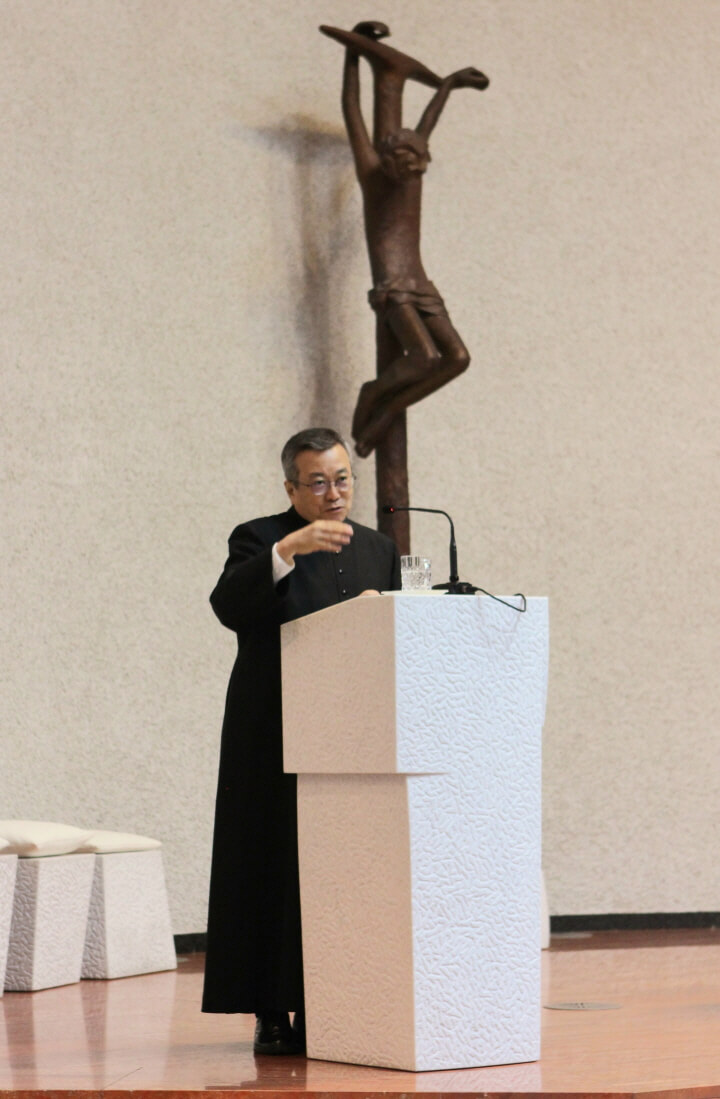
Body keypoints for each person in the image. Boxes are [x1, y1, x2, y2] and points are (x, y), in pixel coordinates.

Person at [202, 427, 400, 1055]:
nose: (333, 493)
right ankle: (270, 1011)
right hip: (272, 731)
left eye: (342, 479)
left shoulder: (379, 548)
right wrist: (286, 551)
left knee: (339, 872)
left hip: (351, 737)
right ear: (291, 488)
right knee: (270, 866)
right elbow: (229, 606)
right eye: (317, 483)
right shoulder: (258, 537)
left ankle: (329, 1005)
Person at [320, 22, 489, 457]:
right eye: (404, 157)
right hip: (393, 286)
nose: (413, 166)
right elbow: (352, 110)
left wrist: (450, 84)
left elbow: (427, 124)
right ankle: (374, 395)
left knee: (458, 359)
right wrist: (354, 50)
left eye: (418, 159)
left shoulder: (412, 178)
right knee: (425, 359)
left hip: (421, 284)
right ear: (388, 156)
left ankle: (389, 406)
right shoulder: (373, 175)